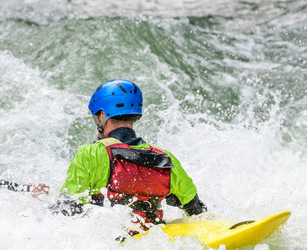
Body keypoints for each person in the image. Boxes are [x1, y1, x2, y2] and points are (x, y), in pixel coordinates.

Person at [55, 79, 206, 230]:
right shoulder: (165, 157)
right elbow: (196, 210)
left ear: (101, 115)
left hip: (106, 239)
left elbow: (67, 210)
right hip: (152, 237)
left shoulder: (90, 153)